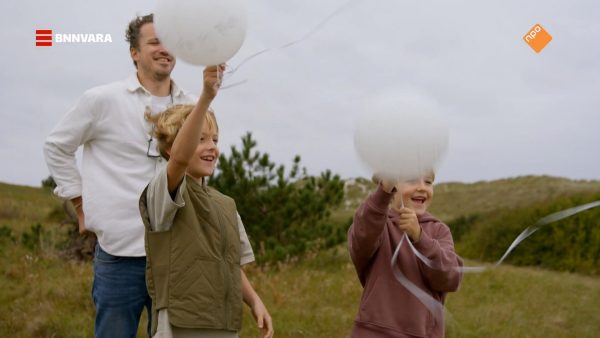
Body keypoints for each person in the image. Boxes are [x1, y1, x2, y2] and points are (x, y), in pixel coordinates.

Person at [43, 14, 195, 337]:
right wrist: (81, 205)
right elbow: (57, 146)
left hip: (175, 257)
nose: (164, 49)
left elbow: (199, 170)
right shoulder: (102, 100)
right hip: (119, 256)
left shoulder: (191, 105)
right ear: (134, 52)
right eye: (154, 41)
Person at [138, 64, 273, 338]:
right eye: (200, 139)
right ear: (169, 148)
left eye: (214, 139)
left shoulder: (225, 204)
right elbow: (180, 159)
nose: (211, 146)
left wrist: (254, 300)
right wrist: (206, 98)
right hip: (181, 323)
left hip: (222, 323)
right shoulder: (163, 192)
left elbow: (229, 263)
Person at [347, 173, 463, 338]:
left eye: (428, 182)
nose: (422, 187)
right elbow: (361, 238)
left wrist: (420, 237)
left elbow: (450, 278)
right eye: (412, 180)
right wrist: (382, 193)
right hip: (373, 333)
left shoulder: (438, 231)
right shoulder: (378, 225)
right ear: (392, 187)